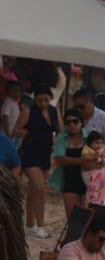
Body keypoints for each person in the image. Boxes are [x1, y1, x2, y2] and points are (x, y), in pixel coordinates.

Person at [15, 89, 61, 236]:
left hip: (46, 152)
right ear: (35, 99)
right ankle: (41, 226)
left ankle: (29, 223)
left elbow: (60, 130)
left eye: (46, 100)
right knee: (40, 189)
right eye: (40, 100)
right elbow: (15, 130)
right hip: (30, 152)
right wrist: (26, 133)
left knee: (34, 189)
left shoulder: (54, 111)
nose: (43, 103)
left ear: (50, 99)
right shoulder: (28, 111)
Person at [51, 109, 87, 218]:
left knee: (89, 221)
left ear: (81, 122)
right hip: (70, 182)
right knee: (74, 222)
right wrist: (83, 161)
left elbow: (101, 156)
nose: (72, 125)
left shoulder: (91, 136)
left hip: (90, 183)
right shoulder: (62, 137)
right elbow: (60, 158)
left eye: (75, 121)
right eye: (68, 122)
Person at [80, 130, 105, 205]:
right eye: (96, 143)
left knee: (102, 190)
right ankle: (92, 203)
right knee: (93, 190)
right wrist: (94, 156)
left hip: (101, 174)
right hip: (91, 174)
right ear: (90, 143)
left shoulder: (101, 149)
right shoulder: (87, 149)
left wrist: (104, 156)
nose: (99, 145)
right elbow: (84, 157)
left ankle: (101, 202)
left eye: (100, 143)